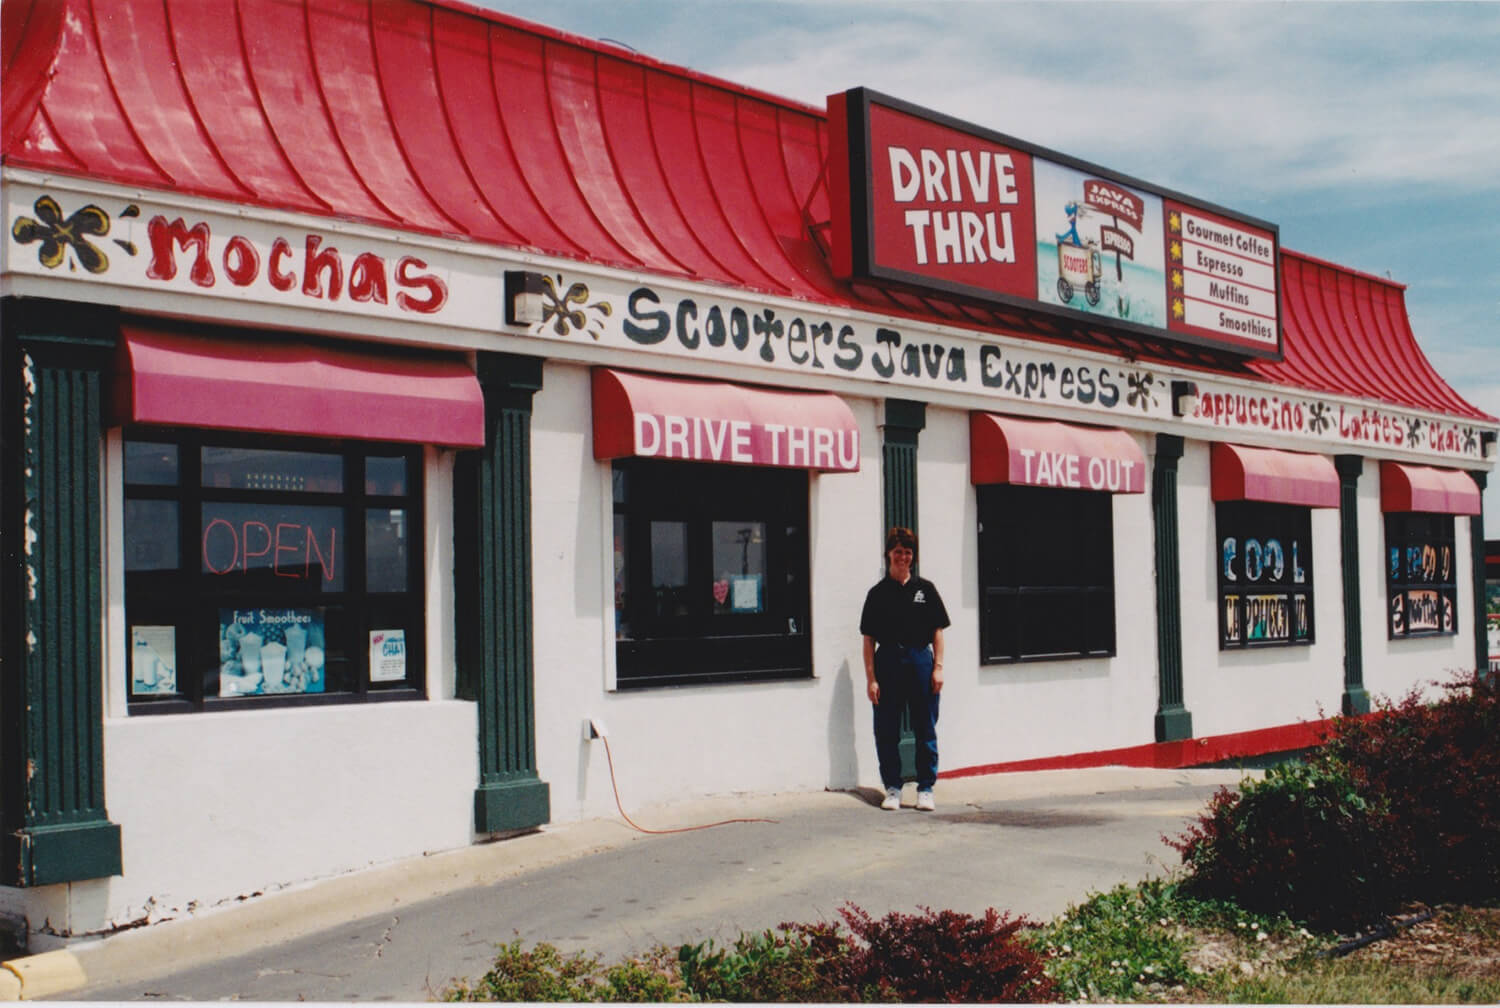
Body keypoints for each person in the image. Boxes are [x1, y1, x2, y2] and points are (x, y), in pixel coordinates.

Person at [860, 526, 950, 812]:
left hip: (920, 662)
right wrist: (871, 679)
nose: (903, 557)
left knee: (925, 726)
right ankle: (893, 788)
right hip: (888, 661)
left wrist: (938, 668)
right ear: (888, 554)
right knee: (887, 729)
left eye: (908, 552)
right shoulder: (877, 594)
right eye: (898, 551)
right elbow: (868, 641)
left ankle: (925, 788)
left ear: (913, 557)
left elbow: (938, 633)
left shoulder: (926, 590)